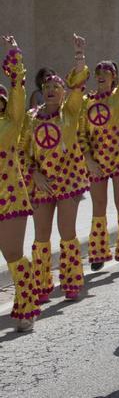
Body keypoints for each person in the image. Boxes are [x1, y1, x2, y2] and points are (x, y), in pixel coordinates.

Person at [23, 34, 91, 303]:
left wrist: (79, 55)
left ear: (64, 92)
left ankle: (71, 281)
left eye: (56, 86)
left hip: (68, 181)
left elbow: (79, 83)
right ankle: (41, 285)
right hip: (40, 183)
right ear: (41, 90)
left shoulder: (71, 112)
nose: (50, 90)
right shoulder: (30, 119)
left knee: (67, 233)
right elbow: (21, 151)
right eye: (46, 86)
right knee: (41, 237)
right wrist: (34, 173)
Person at [79, 24, 119, 272]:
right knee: (98, 207)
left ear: (114, 77)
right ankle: (97, 253)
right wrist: (88, 160)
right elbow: (81, 134)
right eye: (99, 73)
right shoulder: (86, 102)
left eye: (107, 72)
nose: (102, 75)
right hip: (96, 161)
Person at [0, 35, 40, 331]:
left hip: (10, 195)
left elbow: (17, 89)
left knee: (12, 253)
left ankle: (26, 304)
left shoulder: (11, 123)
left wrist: (15, 56)